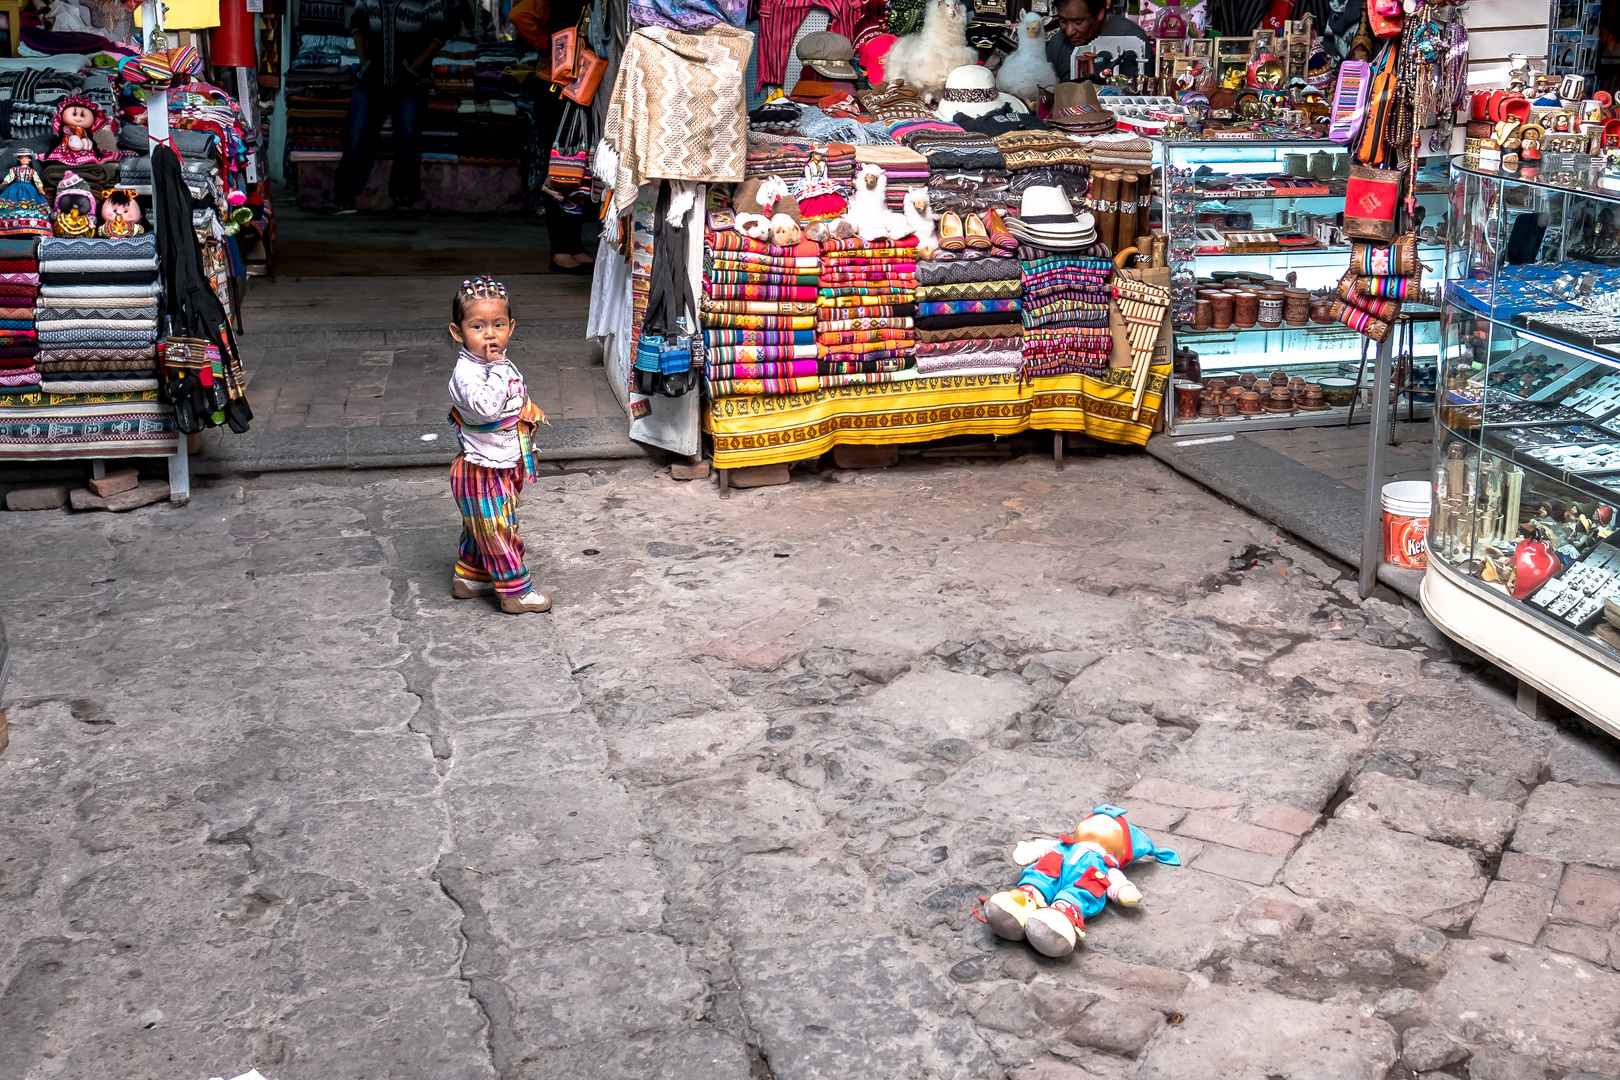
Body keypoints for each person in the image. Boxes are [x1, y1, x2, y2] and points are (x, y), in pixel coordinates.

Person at [446, 277, 553, 614]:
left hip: (500, 461)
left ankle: (471, 577)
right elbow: (487, 407)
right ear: (457, 332)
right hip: (481, 468)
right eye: (478, 326)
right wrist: (497, 368)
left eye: (498, 324)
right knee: (497, 529)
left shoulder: (495, 362)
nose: (489, 334)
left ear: (511, 327)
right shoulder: (469, 372)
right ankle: (515, 592)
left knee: (483, 524)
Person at [321, 0, 449, 215]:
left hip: (411, 81)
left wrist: (415, 66)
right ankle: (344, 196)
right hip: (372, 78)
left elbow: (438, 35)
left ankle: (403, 197)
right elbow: (358, 25)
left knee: (408, 137)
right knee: (357, 135)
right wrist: (364, 61)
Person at [509, 0, 594, 273]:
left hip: (577, 88)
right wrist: (547, 45)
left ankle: (573, 246)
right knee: (560, 165)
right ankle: (560, 250)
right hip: (554, 89)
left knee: (578, 168)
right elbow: (519, 14)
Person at [1045, 0, 1149, 82]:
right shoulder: (1057, 44)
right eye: (1063, 21)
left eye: (1078, 22)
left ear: (1100, 13)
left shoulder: (1131, 39)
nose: (1069, 31)